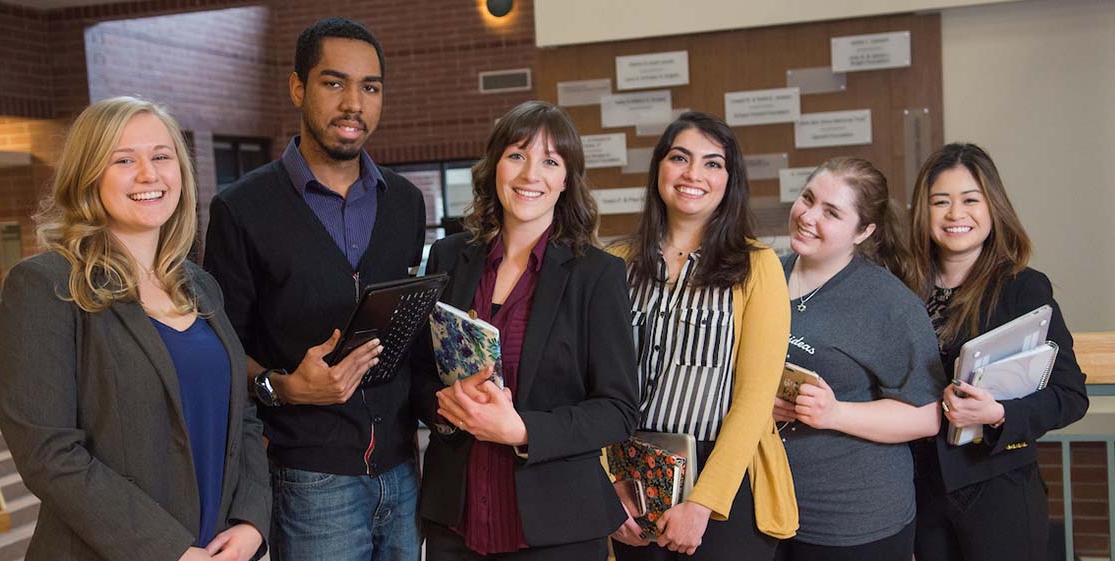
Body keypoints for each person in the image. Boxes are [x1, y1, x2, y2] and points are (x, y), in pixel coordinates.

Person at [0, 96, 270, 561]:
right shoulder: (46, 286)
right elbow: (48, 453)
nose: (149, 174)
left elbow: (240, 418)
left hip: (218, 547)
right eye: (124, 160)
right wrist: (169, 551)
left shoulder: (198, 285)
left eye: (161, 157)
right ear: (88, 176)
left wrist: (250, 521)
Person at [202, 17, 426, 561]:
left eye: (369, 87)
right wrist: (287, 388)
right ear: (298, 87)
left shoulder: (405, 203)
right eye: (334, 83)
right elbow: (223, 354)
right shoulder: (242, 209)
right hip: (309, 480)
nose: (354, 102)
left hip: (401, 471)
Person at [412, 100, 639, 561]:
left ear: (565, 181)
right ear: (495, 165)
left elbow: (617, 409)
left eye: (550, 162)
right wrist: (440, 405)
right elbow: (416, 373)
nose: (530, 174)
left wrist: (523, 430)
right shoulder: (447, 257)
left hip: (557, 528)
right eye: (517, 155)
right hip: (455, 524)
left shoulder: (597, 275)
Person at [607, 111, 796, 561]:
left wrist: (703, 502)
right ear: (659, 169)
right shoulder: (614, 264)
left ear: (730, 181)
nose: (694, 174)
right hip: (630, 479)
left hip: (723, 479)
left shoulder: (758, 266)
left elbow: (755, 397)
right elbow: (594, 385)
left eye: (713, 163)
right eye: (680, 158)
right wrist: (607, 488)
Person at [904, 143, 1088, 561]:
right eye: (940, 201)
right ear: (923, 211)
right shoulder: (902, 288)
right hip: (920, 492)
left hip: (997, 487)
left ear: (993, 207)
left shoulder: (1022, 287)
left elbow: (1070, 394)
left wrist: (999, 414)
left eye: (971, 199)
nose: (955, 214)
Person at [771, 158, 946, 561]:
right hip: (769, 508)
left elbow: (928, 415)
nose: (809, 216)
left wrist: (835, 413)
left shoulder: (890, 304)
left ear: (863, 231)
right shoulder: (766, 275)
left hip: (854, 522)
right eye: (808, 199)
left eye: (831, 212)